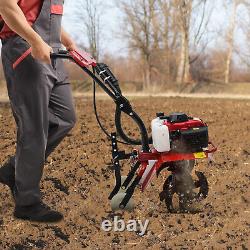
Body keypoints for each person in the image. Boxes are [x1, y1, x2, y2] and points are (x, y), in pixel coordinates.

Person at [0, 0, 77, 222]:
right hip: (26, 49)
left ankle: (13, 169)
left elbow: (44, 17)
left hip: (52, 51)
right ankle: (27, 202)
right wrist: (35, 41)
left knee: (65, 118)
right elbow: (6, 7)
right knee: (34, 128)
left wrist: (68, 41)